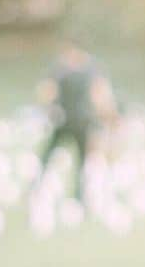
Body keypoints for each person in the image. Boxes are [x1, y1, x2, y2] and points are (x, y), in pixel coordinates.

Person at [38, 43, 117, 199]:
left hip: (74, 122)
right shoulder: (88, 69)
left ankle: (77, 196)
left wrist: (48, 108)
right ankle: (77, 197)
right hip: (73, 122)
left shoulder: (63, 69)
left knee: (63, 160)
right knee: (59, 159)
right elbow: (100, 95)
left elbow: (47, 91)